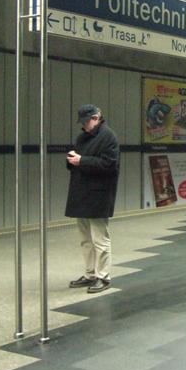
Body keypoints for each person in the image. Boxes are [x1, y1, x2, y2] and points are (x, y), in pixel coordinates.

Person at [65, 104, 120, 294]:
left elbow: (109, 164)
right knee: (86, 239)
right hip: (81, 193)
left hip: (99, 194)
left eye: (86, 121)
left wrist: (81, 160)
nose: (84, 125)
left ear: (96, 118)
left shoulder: (109, 137)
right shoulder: (82, 137)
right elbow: (77, 161)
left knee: (100, 239)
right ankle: (90, 274)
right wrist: (72, 159)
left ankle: (103, 277)